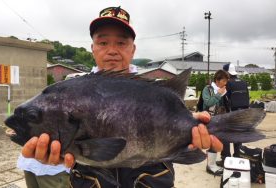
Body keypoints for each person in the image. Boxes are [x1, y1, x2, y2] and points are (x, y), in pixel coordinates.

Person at [21, 6, 223, 188]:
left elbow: (173, 118)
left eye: (121, 42)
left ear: (133, 49)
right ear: (92, 48)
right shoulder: (70, 91)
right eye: (103, 42)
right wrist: (52, 158)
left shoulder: (152, 91)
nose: (112, 50)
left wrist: (196, 127)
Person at [217, 63, 250, 167]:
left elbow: (224, 100)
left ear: (226, 72)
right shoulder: (243, 82)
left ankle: (225, 159)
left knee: (225, 136)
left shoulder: (228, 83)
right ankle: (237, 157)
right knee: (238, 136)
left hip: (231, 113)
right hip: (243, 114)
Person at [201, 70, 230, 176]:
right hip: (210, 120)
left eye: (226, 81)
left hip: (221, 119)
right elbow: (208, 102)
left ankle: (214, 163)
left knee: (219, 141)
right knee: (213, 141)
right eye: (223, 80)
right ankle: (210, 166)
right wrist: (219, 94)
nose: (225, 83)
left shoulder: (224, 89)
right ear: (217, 80)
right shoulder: (207, 89)